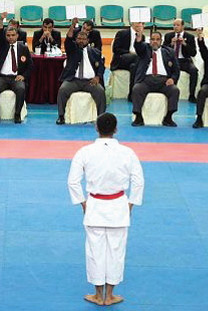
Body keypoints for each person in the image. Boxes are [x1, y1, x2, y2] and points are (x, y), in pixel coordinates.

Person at [68, 112, 144, 306]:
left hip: (94, 205)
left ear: (96, 128)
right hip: (119, 206)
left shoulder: (84, 152)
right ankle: (110, 296)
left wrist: (83, 203)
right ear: (116, 130)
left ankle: (97, 294)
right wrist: (131, 204)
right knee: (116, 251)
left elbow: (73, 182)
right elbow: (138, 182)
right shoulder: (128, 153)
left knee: (95, 251)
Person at [56, 18, 106, 125]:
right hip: (73, 80)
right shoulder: (72, 49)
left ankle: (101, 117)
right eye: (79, 38)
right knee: (62, 90)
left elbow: (101, 66)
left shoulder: (95, 52)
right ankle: (61, 116)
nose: (81, 41)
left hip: (90, 82)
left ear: (88, 41)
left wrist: (98, 77)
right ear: (76, 39)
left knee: (100, 91)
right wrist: (72, 26)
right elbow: (68, 39)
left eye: (83, 39)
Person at [131, 31, 181, 127]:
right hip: (146, 80)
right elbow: (138, 46)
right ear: (149, 41)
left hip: (163, 81)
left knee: (174, 90)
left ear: (161, 41)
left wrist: (173, 79)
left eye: (157, 39)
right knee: (137, 89)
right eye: (153, 39)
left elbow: (176, 70)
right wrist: (139, 38)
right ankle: (138, 117)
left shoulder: (169, 52)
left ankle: (168, 117)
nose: (155, 42)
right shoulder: (145, 49)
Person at [0, 12, 33, 123]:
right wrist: (0, 20)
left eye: (13, 35)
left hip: (16, 78)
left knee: (21, 89)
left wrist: (23, 76)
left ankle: (17, 114)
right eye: (8, 36)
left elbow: (30, 65)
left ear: (17, 36)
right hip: (2, 77)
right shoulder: (2, 46)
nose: (10, 37)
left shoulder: (23, 48)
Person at [164, 19, 199, 103]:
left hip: (184, 60)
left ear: (183, 26)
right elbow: (163, 50)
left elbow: (193, 53)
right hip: (172, 60)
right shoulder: (168, 36)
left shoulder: (190, 37)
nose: (175, 27)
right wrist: (171, 44)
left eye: (177, 25)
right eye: (174, 25)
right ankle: (169, 94)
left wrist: (185, 44)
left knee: (194, 71)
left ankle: (192, 95)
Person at [109, 22, 145, 102]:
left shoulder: (142, 36)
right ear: (132, 23)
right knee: (136, 58)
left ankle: (132, 93)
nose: (139, 25)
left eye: (141, 23)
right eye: (137, 22)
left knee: (134, 66)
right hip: (121, 59)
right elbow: (115, 49)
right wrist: (129, 52)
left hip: (134, 61)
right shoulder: (122, 33)